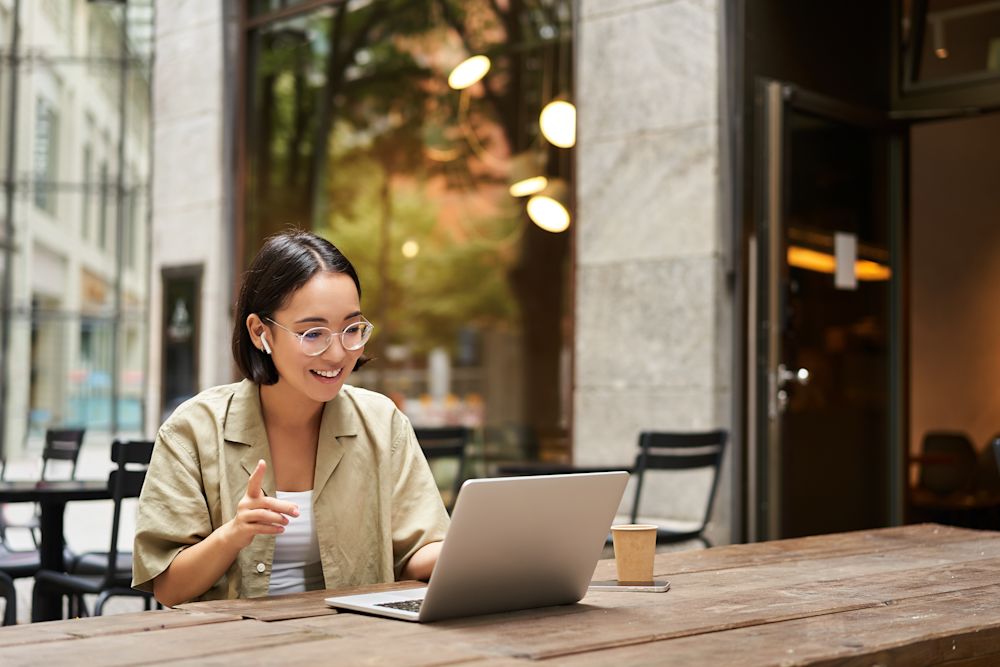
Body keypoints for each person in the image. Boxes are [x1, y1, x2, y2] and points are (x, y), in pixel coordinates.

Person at [133, 230, 449, 606]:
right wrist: (234, 533)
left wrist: (479, 548)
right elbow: (169, 589)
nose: (336, 354)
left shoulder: (382, 423)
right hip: (232, 645)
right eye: (313, 333)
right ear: (259, 332)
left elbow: (417, 555)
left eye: (351, 329)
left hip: (356, 643)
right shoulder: (193, 430)